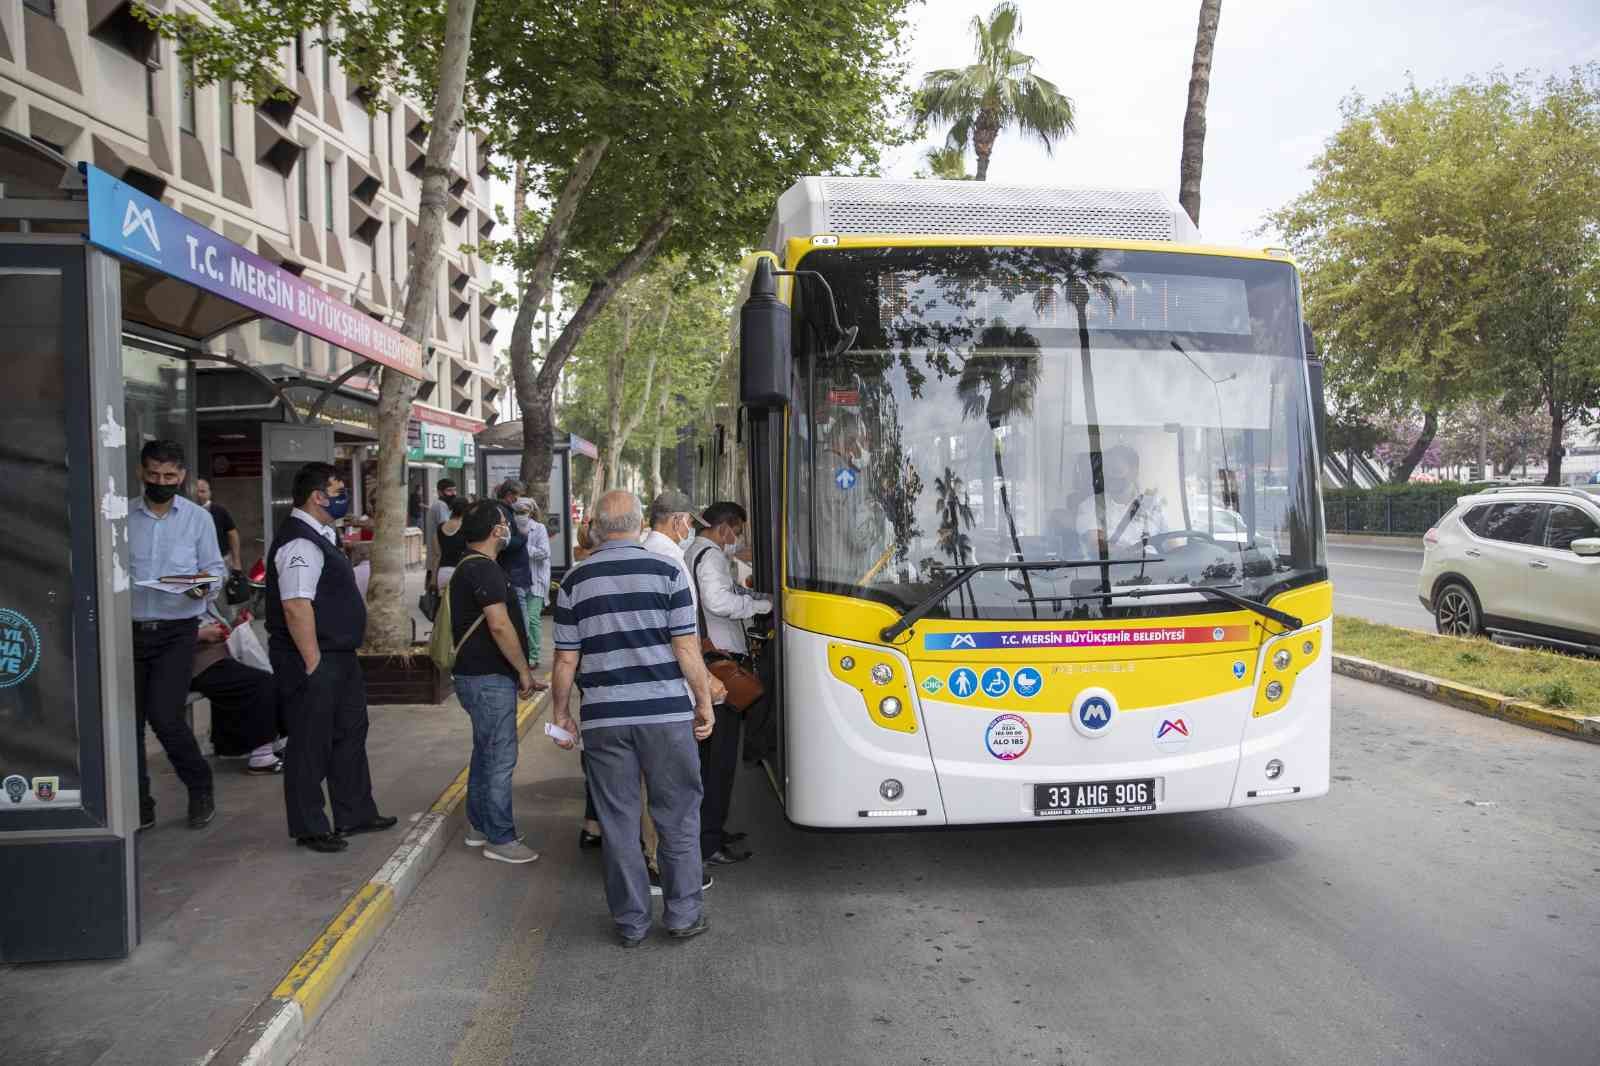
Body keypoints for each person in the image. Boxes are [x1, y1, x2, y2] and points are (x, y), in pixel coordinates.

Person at [550, 490, 716, 947]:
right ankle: (683, 915)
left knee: (619, 821)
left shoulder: (575, 581)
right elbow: (687, 648)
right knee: (677, 814)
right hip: (665, 715)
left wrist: (561, 715)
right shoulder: (667, 571)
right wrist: (703, 704)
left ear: (597, 528)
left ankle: (631, 922)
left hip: (604, 719)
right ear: (640, 523)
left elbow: (566, 659)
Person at [265, 462, 397, 853]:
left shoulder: (322, 534)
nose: (344, 498)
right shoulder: (300, 542)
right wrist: (313, 663)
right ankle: (310, 826)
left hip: (339, 655)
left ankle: (354, 811)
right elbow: (296, 606)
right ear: (316, 496)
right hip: (313, 658)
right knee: (310, 742)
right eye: (339, 491)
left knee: (350, 732)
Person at [128, 440, 224, 830]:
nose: (161, 482)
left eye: (169, 476)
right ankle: (138, 801)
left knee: (166, 717)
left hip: (176, 632)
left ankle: (199, 786)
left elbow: (214, 572)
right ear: (140, 472)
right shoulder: (120, 516)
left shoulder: (197, 519)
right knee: (125, 722)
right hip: (125, 632)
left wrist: (199, 587)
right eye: (153, 475)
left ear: (182, 476)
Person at [450, 500, 539, 864]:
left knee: (484, 752)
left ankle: (480, 826)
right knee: (500, 757)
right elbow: (499, 625)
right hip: (488, 678)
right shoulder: (484, 569)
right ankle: (500, 838)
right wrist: (523, 670)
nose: (510, 528)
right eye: (505, 522)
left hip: (477, 676)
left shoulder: (471, 566)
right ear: (495, 529)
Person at [682, 501, 769, 866]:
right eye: (738, 532)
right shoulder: (712, 554)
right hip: (720, 670)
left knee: (708, 761)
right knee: (718, 763)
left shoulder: (693, 552)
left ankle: (710, 830)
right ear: (725, 529)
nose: (738, 540)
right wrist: (762, 607)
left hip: (707, 663)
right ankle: (708, 843)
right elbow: (718, 601)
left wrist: (749, 596)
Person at [192, 617, 283, 774]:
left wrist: (231, 623)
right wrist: (201, 634)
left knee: (264, 676)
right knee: (259, 682)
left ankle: (244, 746)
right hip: (190, 661)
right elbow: (167, 633)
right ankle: (261, 755)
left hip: (213, 653)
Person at [1075, 445, 1169, 555]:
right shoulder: (1090, 506)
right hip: (1112, 569)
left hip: (1154, 569)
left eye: (1116, 470)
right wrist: (1136, 557)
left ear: (1134, 472)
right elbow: (1096, 547)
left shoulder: (1153, 504)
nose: (1110, 476)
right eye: (1106, 471)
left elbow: (1171, 543)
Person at [491, 480, 538, 675]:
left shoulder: (505, 511)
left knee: (523, 619)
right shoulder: (503, 512)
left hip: (518, 574)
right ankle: (522, 664)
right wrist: (523, 538)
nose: (518, 501)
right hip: (514, 574)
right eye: (516, 496)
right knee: (522, 622)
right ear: (509, 494)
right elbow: (505, 541)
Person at [516, 494, 552, 687]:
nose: (520, 516)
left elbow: (544, 552)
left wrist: (524, 548)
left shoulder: (539, 529)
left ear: (530, 512)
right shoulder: (511, 529)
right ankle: (523, 655)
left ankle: (534, 655)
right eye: (517, 512)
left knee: (532, 618)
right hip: (518, 581)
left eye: (523, 512)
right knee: (521, 621)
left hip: (536, 580)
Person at [194, 477, 241, 575]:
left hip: (220, 560)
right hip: (194, 563)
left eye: (203, 491)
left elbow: (233, 534)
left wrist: (236, 562)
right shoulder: (187, 511)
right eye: (196, 491)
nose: (199, 495)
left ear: (209, 493)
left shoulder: (219, 510)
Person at [423, 477, 458, 592]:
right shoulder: (440, 505)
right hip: (438, 560)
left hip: (437, 560)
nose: (453, 494)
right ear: (439, 492)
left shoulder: (443, 505)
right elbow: (447, 527)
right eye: (449, 490)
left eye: (454, 490)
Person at [431, 496, 470, 590]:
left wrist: (433, 580)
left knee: (444, 604)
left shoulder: (440, 528)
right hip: (460, 572)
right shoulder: (467, 527)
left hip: (442, 573)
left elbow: (437, 555)